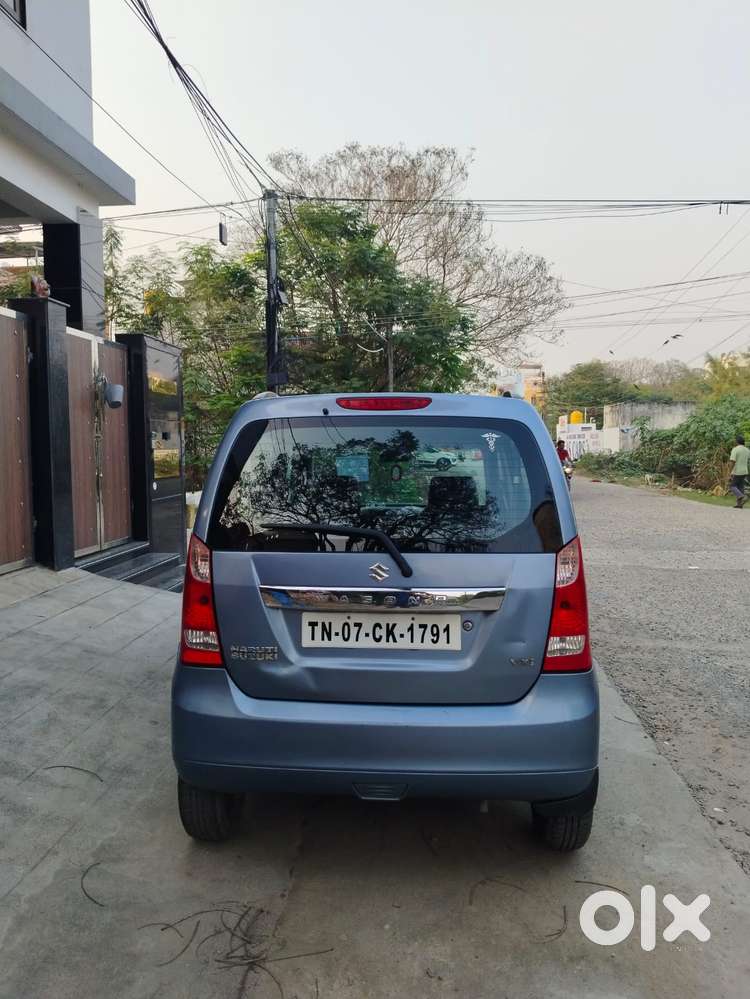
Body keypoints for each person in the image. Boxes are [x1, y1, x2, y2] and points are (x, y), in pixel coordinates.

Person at [728, 434, 750, 508]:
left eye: (735, 441)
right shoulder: (747, 450)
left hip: (737, 471)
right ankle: (739, 504)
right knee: (740, 487)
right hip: (745, 471)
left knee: (732, 486)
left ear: (737, 441)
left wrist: (730, 471)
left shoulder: (735, 449)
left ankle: (741, 496)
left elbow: (732, 461)